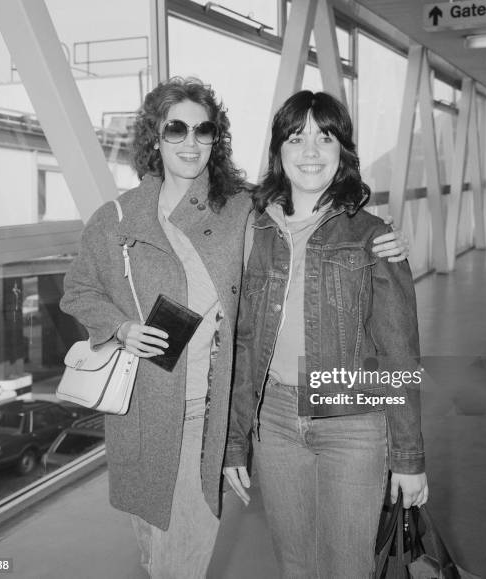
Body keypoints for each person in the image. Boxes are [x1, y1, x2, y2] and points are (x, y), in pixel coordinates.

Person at [61, 78, 409, 578]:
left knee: (182, 553)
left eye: (203, 130)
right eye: (175, 129)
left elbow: (308, 206)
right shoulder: (117, 218)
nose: (189, 142)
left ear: (215, 139)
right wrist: (118, 327)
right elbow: (78, 290)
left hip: (213, 410)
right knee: (156, 550)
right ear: (154, 137)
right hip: (145, 410)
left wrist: (380, 236)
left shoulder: (241, 207)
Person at [223, 90, 428, 579]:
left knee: (347, 568)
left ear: (342, 153)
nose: (310, 150)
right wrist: (235, 442)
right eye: (297, 137)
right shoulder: (257, 231)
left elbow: (399, 354)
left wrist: (409, 458)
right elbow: (245, 343)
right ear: (279, 152)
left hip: (352, 422)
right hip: (273, 422)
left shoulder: (372, 235)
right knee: (295, 565)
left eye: (325, 137)